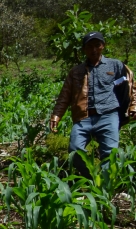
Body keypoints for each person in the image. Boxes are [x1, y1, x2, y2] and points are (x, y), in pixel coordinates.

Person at [50, 31, 136, 177]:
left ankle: (104, 187)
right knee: (75, 149)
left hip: (108, 114)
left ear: (103, 46)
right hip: (84, 117)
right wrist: (56, 116)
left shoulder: (115, 65)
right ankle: (92, 177)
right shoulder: (76, 71)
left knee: (110, 154)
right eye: (90, 46)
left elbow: (131, 86)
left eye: (97, 45)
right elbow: (64, 96)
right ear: (84, 49)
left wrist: (134, 105)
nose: (94, 49)